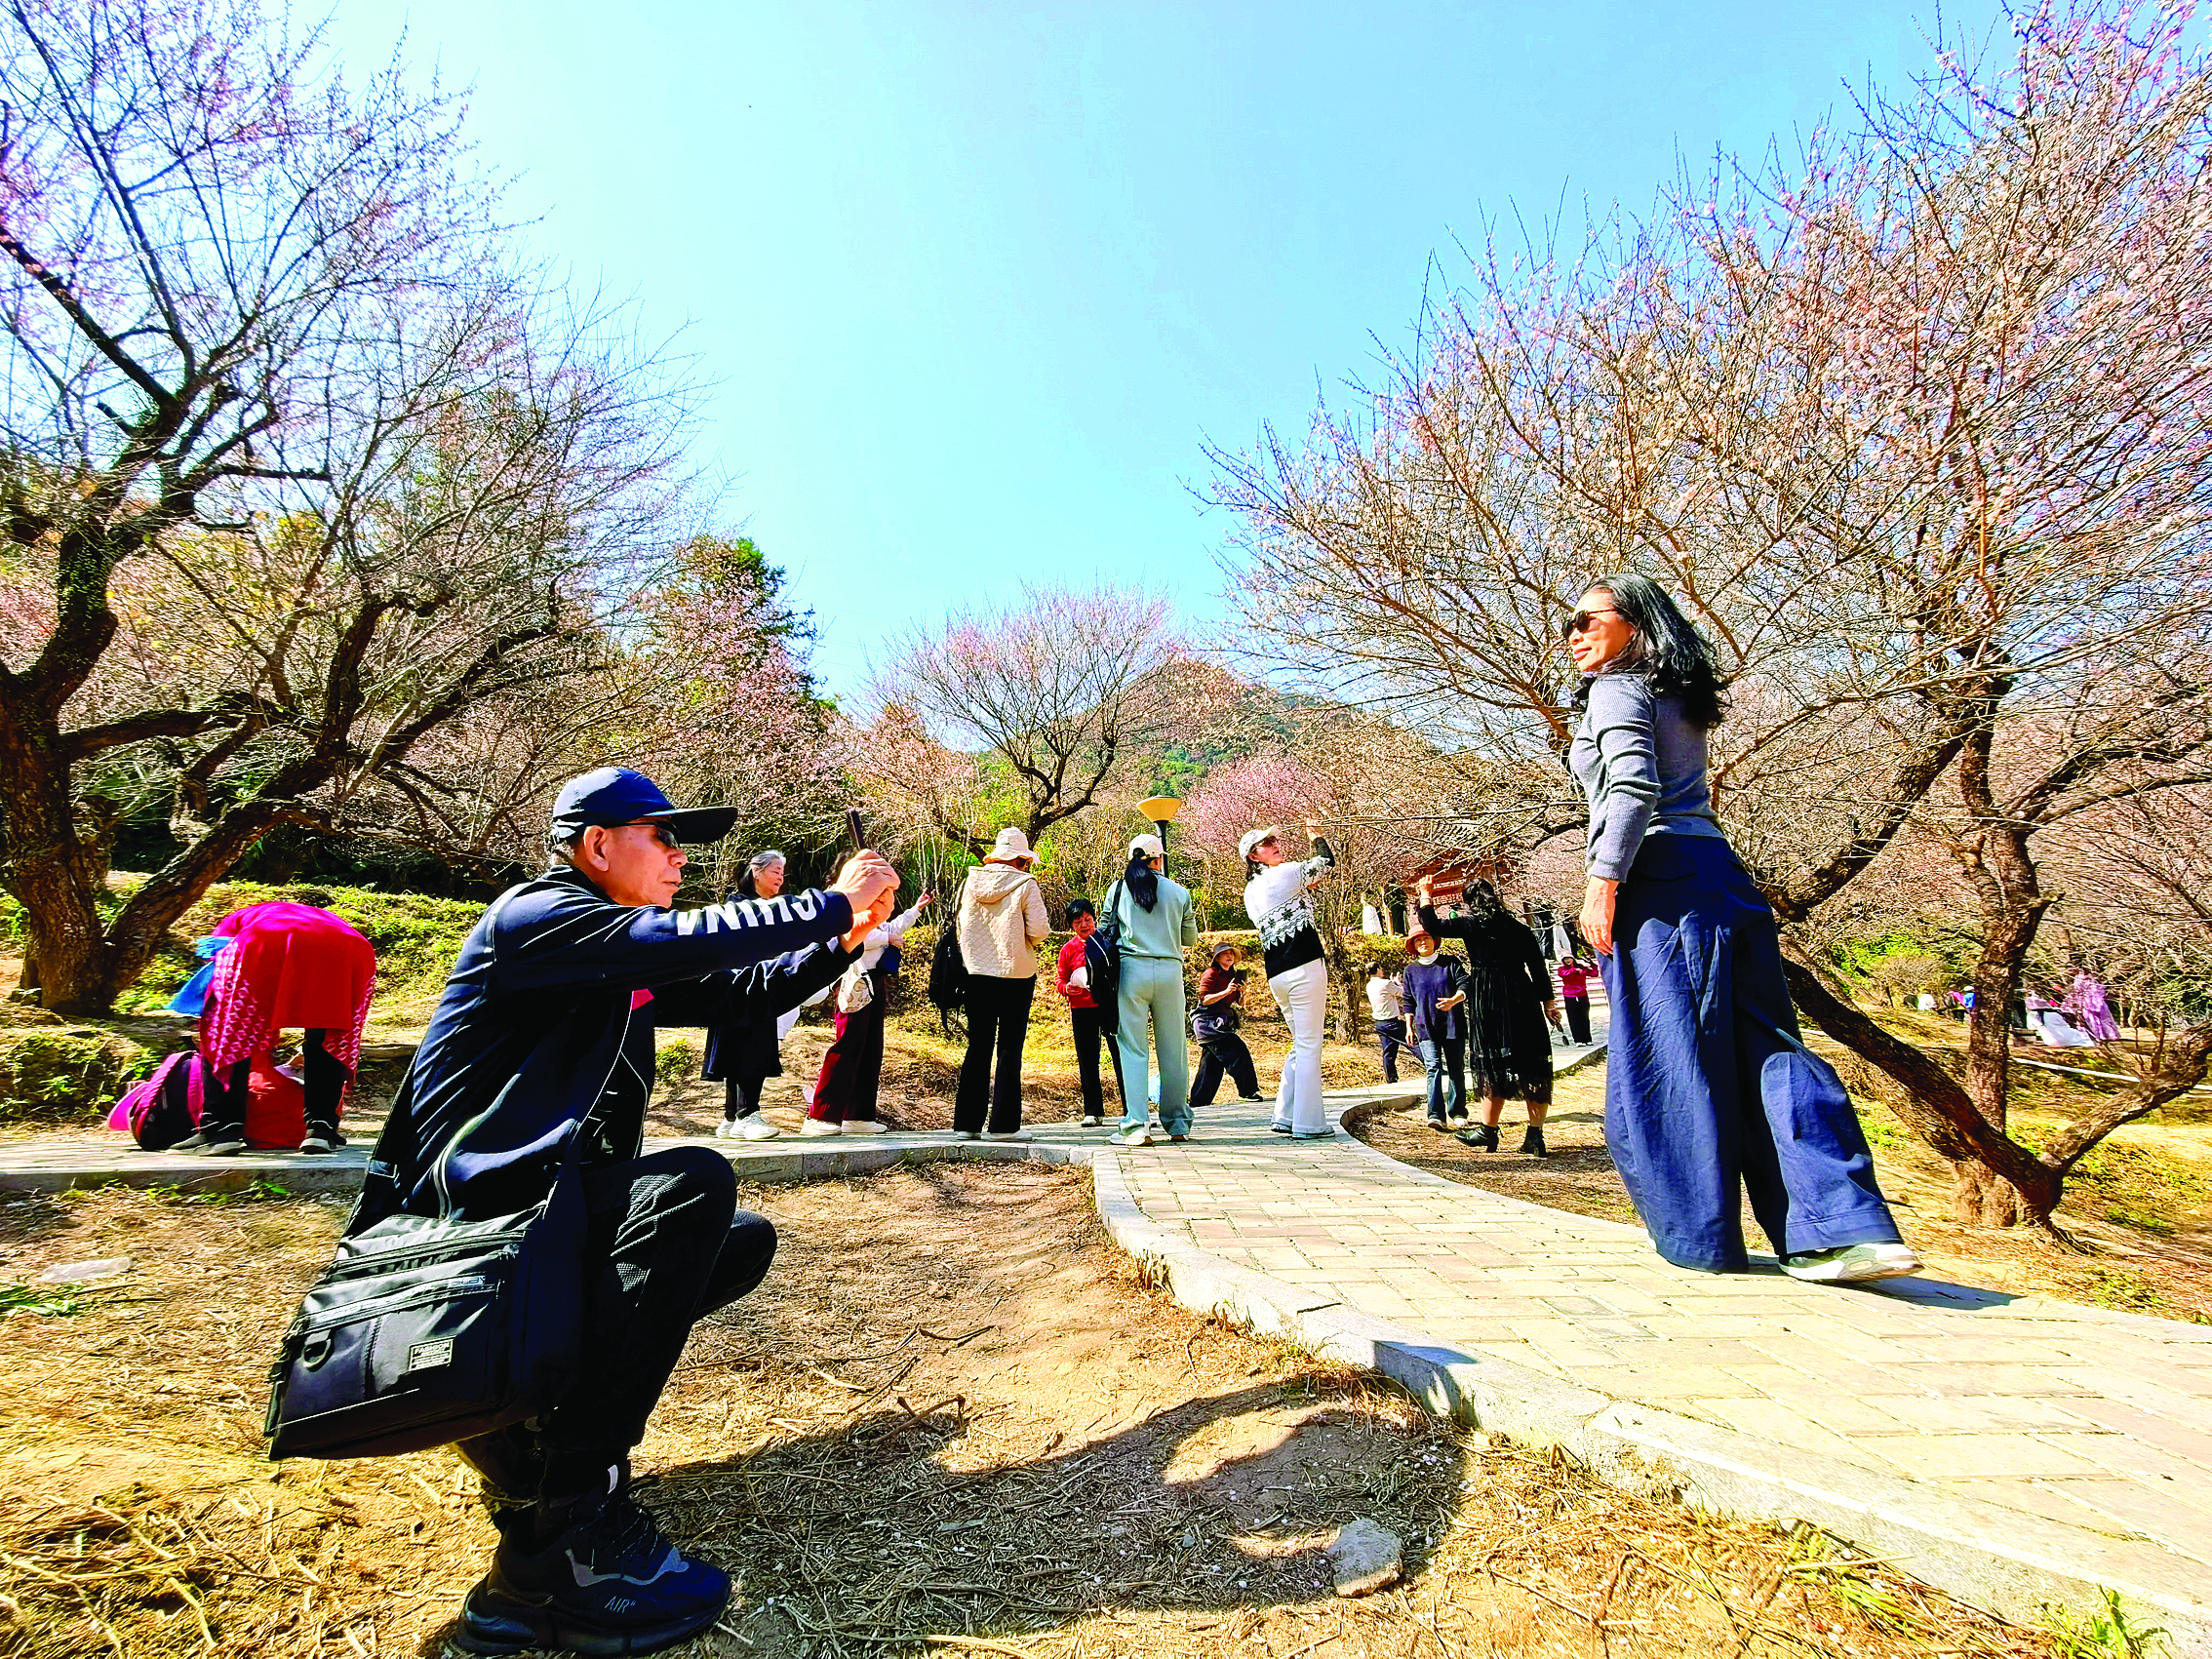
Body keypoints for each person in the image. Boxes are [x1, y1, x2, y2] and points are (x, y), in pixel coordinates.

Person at [347, 766, 897, 1654]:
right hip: (469, 1234)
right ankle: (561, 1540)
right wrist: (829, 904)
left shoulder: (603, 952)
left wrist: (843, 939)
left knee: (732, 1240)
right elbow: (698, 938)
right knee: (689, 1185)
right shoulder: (536, 917)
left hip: (538, 1227)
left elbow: (740, 991)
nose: (683, 857)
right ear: (597, 845)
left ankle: (529, 1441)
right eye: (663, 836)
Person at [1566, 574, 1917, 1284]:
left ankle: (1703, 1236)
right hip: (1720, 875)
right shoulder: (1679, 692)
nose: (1572, 634)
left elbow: (1634, 787)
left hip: (1659, 882)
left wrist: (1602, 884)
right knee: (1768, 1047)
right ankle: (1838, 1230)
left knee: (1671, 1059)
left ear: (1634, 622)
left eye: (1585, 618)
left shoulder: (1617, 687)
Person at [176, 901, 377, 1156]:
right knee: (331, 1033)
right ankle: (322, 1131)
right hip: (349, 948)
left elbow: (216, 964)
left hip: (266, 942)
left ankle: (220, 1130)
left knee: (225, 1031)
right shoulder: (320, 917)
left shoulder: (235, 921)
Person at [1413, 879, 1561, 1156]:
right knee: (1532, 1062)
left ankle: (1488, 1131)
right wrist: (1549, 1004)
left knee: (1491, 1061)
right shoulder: (1521, 929)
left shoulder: (1471, 924)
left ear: (1470, 901)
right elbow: (1539, 969)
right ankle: (1535, 1136)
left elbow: (1432, 926)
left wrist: (1425, 895)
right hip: (1522, 994)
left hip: (1489, 996)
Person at [804, 892, 930, 1135]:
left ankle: (859, 1115)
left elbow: (892, 929)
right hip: (856, 981)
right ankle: (821, 1114)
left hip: (876, 980)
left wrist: (915, 910)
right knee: (847, 1046)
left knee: (871, 1048)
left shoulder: (878, 914)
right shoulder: (854, 907)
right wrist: (888, 938)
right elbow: (858, 936)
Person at [1242, 821, 1337, 1139]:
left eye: (1273, 840)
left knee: (1300, 1043)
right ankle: (1309, 1124)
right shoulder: (1285, 873)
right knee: (1310, 1045)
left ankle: (1284, 1115)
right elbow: (1325, 862)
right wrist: (1316, 834)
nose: (1274, 844)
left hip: (1277, 974)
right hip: (1304, 966)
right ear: (1254, 856)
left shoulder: (1249, 891)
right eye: (1266, 843)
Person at [954, 826, 1050, 1141]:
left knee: (978, 1046)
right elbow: (1040, 930)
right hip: (1015, 975)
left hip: (977, 973)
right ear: (1021, 859)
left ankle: (967, 1124)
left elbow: (961, 925)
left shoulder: (971, 882)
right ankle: (1003, 1126)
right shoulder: (1025, 884)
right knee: (1009, 1049)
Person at [1107, 834, 1200, 1146]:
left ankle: (1136, 1126)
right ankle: (1177, 1123)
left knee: (1133, 1049)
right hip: (1170, 973)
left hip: (1131, 971)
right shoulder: (1179, 893)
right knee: (1173, 1049)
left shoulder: (1118, 889)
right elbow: (1190, 939)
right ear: (1160, 859)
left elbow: (1106, 928)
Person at [704, 849, 799, 1141]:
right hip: (743, 988)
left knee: (746, 1052)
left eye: (783, 873)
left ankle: (731, 1118)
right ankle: (748, 1114)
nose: (780, 878)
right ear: (757, 872)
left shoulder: (772, 905)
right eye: (775, 871)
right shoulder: (738, 905)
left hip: (760, 988)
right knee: (747, 1051)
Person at [1053, 898, 1125, 1126]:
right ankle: (1093, 1111)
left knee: (1121, 1057)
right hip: (1082, 1009)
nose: (1084, 924)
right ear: (1072, 925)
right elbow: (1060, 979)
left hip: (1110, 1006)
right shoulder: (1068, 949)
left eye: (1087, 919)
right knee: (1087, 1059)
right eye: (1078, 921)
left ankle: (1132, 1109)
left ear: (1094, 919)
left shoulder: (1108, 941)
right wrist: (1066, 988)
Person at [1400, 925, 1470, 1129]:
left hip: (1452, 1024)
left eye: (1426, 938)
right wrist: (1409, 1027)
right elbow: (1408, 1001)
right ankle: (1435, 1114)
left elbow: (1465, 983)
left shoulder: (1450, 963)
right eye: (1417, 940)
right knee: (1433, 1068)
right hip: (1425, 1027)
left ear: (1434, 940)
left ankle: (1457, 1111)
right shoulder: (1410, 970)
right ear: (1413, 946)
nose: (1422, 942)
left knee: (1456, 1069)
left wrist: (1454, 1000)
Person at [1189, 942, 1262, 1108]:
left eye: (1231, 953)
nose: (1229, 956)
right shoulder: (1210, 974)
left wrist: (1244, 993)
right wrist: (1227, 991)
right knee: (1238, 1051)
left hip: (1221, 1023)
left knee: (1212, 1062)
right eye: (1225, 953)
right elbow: (1205, 1000)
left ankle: (1199, 1101)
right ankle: (1248, 1091)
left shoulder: (1234, 976)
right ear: (1217, 957)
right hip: (1207, 1023)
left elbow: (1241, 1004)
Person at [1365, 962, 1410, 1084]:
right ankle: (1432, 1067)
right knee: (1413, 1043)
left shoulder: (1369, 985)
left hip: (1380, 1023)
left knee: (1388, 1052)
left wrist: (1393, 984)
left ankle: (1391, 1078)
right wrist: (1398, 982)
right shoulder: (1386, 983)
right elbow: (1403, 992)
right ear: (1379, 969)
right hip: (1392, 1022)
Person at [2067, 971, 2121, 1043]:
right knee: (2091, 1017)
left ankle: (2105, 1034)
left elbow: (2099, 989)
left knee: (2101, 1017)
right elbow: (2077, 990)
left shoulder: (2092, 977)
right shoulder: (2079, 978)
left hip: (2093, 999)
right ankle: (2096, 1034)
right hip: (2087, 1000)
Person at [1556, 954, 1595, 1046]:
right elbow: (1563, 974)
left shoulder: (1581, 968)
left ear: (1573, 959)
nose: (1567, 960)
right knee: (1573, 1018)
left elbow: (1594, 973)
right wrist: (1575, 970)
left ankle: (1587, 1039)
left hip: (1582, 994)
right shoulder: (1562, 969)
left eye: (1569, 958)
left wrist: (1591, 963)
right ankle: (1578, 1040)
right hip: (1570, 996)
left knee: (1585, 1017)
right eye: (1565, 959)